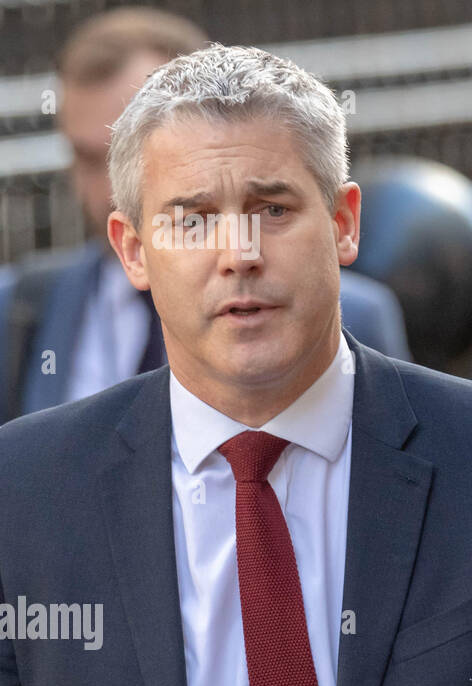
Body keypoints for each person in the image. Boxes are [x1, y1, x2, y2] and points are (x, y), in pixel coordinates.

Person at [0, 43, 472, 686]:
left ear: (344, 223)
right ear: (132, 250)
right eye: (193, 220)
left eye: (273, 209)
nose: (239, 254)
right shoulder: (25, 492)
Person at [0, 7, 410, 424]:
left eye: (272, 209)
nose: (113, 188)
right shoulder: (21, 309)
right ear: (130, 246)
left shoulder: (352, 316)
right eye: (90, 158)